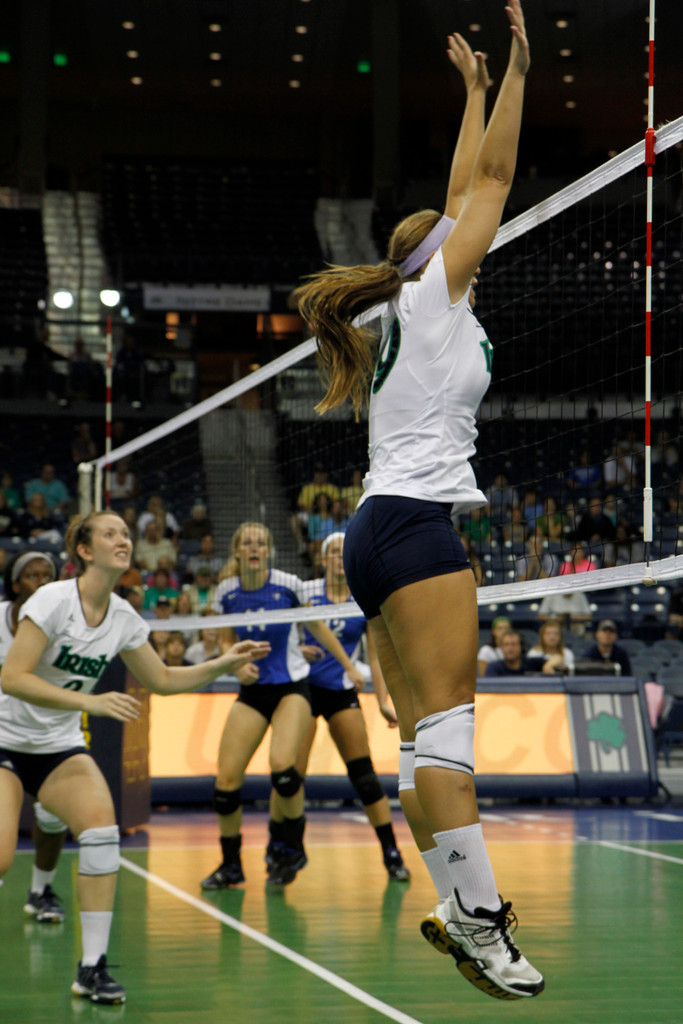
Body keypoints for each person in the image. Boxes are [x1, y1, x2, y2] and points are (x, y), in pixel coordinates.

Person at [294, 5, 542, 1000]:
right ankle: (483, 925)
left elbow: (453, 191)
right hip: (413, 524)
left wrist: (472, 92)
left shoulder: (413, 302)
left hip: (372, 532)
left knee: (417, 743)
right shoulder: (435, 292)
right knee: (449, 736)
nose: (467, 228)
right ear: (436, 253)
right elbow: (482, 184)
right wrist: (522, 66)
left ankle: (450, 901)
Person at [0, 510, 269, 1005]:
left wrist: (223, 663)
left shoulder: (123, 616)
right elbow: (12, 677)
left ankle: (91, 968)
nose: (122, 539)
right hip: (5, 743)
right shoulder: (52, 600)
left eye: (126, 533)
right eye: (110, 533)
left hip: (58, 747)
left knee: (102, 835)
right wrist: (90, 702)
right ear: (84, 551)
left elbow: (163, 681)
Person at [203, 521, 366, 889]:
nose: (254, 547)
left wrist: (349, 665)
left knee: (283, 770)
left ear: (269, 550)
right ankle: (231, 865)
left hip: (291, 687)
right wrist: (236, 664)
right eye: (247, 542)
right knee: (226, 783)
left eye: (260, 541)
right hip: (254, 690)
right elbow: (224, 637)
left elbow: (319, 627)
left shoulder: (288, 585)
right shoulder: (227, 590)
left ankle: (291, 846)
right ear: (238, 551)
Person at [295, 533, 409, 881]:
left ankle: (391, 852)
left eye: (341, 552)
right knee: (289, 777)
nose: (335, 557)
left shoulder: (362, 596)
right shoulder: (304, 591)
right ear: (322, 559)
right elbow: (285, 637)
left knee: (364, 776)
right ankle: (288, 849)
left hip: (340, 690)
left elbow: (375, 656)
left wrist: (382, 701)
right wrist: (298, 650)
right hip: (300, 690)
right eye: (330, 552)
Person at [0, 551, 69, 924]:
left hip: (52, 736)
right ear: (15, 584)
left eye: (48, 575)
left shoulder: (69, 624)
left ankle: (41, 892)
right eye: (32, 575)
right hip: (4, 736)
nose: (41, 581)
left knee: (53, 819)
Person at [484, 630, 562, 677]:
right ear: (501, 648)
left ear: (521, 647)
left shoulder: (531, 663)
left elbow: (558, 657)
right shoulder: (494, 667)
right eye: (506, 644)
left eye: (513, 644)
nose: (510, 648)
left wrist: (548, 665)